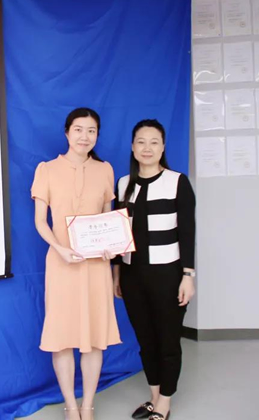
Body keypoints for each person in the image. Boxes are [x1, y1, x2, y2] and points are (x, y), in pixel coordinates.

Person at [31, 107, 122, 420]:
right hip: (62, 264)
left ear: (97, 135)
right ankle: (71, 405)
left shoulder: (105, 170)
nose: (85, 136)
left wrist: (111, 247)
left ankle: (88, 405)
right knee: (63, 337)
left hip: (96, 266)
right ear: (67, 132)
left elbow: (109, 219)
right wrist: (59, 248)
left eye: (92, 131)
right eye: (79, 129)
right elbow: (40, 222)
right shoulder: (46, 170)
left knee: (95, 337)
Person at [113, 119, 196, 420]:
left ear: (162, 147)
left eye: (154, 142)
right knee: (146, 340)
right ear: (132, 147)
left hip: (168, 275)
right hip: (132, 276)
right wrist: (117, 275)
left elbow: (187, 232)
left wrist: (188, 276)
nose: (147, 148)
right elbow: (118, 233)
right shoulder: (123, 184)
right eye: (141, 142)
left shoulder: (177, 182)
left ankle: (165, 403)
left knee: (168, 341)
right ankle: (153, 397)